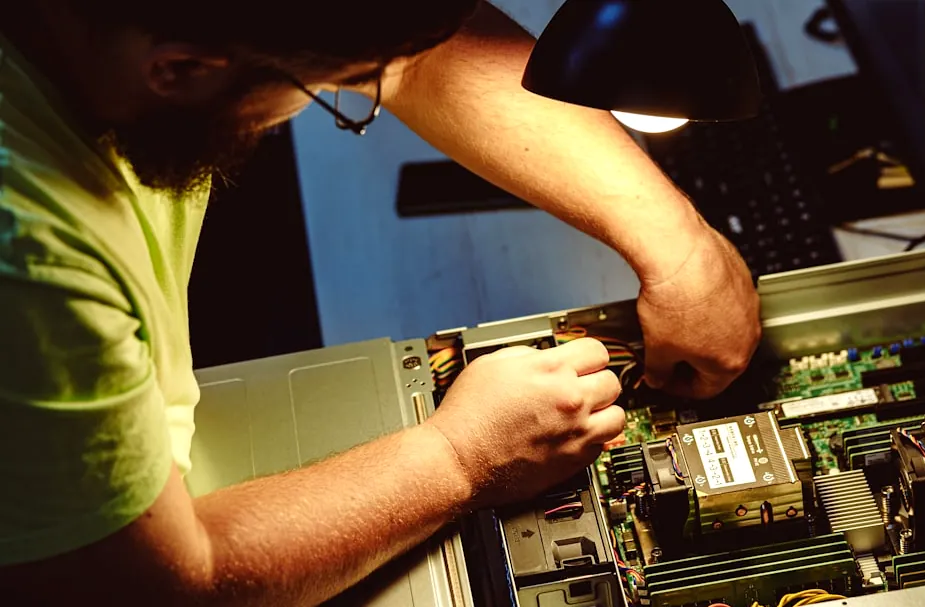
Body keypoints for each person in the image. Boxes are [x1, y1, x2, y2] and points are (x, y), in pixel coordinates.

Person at [0, 0, 761, 603]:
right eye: (331, 90)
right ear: (182, 68)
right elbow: (150, 588)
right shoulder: (31, 260)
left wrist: (680, 248)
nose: (355, 89)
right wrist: (459, 457)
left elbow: (412, 52)